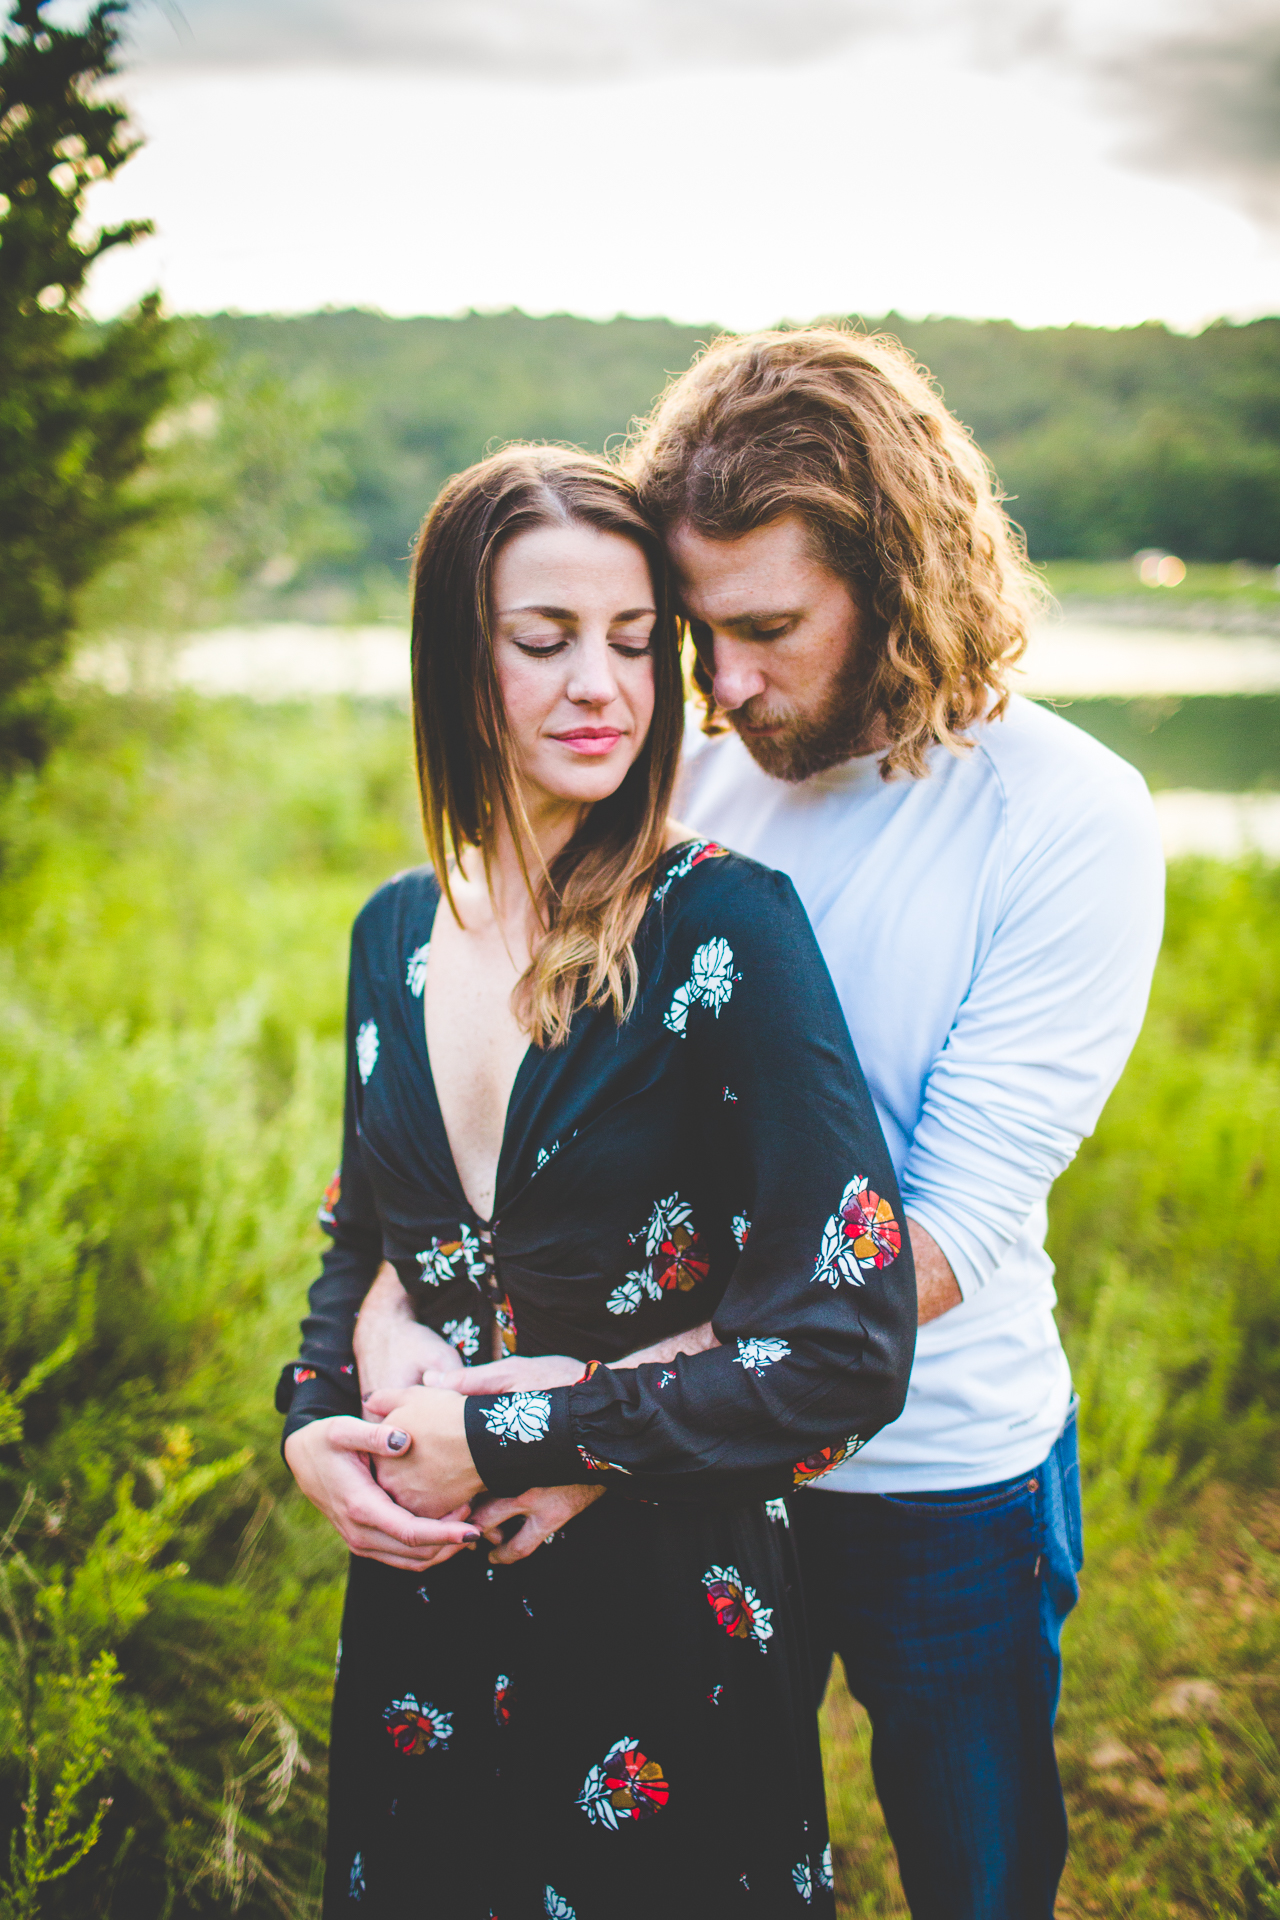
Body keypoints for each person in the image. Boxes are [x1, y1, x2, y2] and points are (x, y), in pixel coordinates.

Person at [277, 445, 917, 1919]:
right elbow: (364, 1238)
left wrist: (523, 1435)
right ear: (457, 655)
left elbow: (845, 1340)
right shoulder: (392, 936)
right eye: (544, 640)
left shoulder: (725, 927)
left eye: (637, 643)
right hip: (425, 1614)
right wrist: (314, 1426)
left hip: (661, 1616)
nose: (604, 690)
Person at [622, 326, 1167, 1918]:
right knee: (712, 1869)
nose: (725, 688)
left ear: (898, 575)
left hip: (944, 1472)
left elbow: (947, 1228)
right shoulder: (686, 784)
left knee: (976, 1868)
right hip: (697, 1470)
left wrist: (619, 1399)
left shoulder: (1063, 816)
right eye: (697, 635)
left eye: (771, 629)